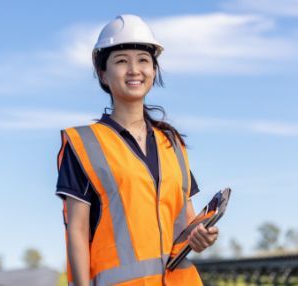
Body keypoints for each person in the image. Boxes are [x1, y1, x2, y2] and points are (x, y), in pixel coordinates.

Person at [55, 14, 219, 286]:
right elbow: (78, 233)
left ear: (153, 70)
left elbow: (186, 228)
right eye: (121, 61)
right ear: (103, 74)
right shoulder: (84, 144)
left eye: (143, 60)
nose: (134, 69)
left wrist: (202, 237)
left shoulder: (172, 144)